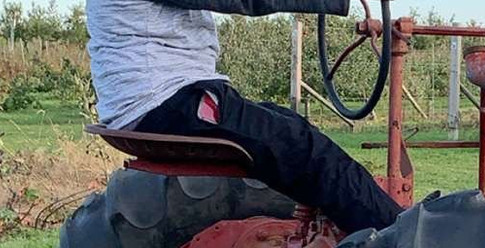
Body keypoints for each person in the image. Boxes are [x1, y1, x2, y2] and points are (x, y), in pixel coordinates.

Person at [86, 0, 404, 234]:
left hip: (160, 96)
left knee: (291, 128)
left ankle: (360, 231)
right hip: (165, 98)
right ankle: (403, 239)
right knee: (307, 151)